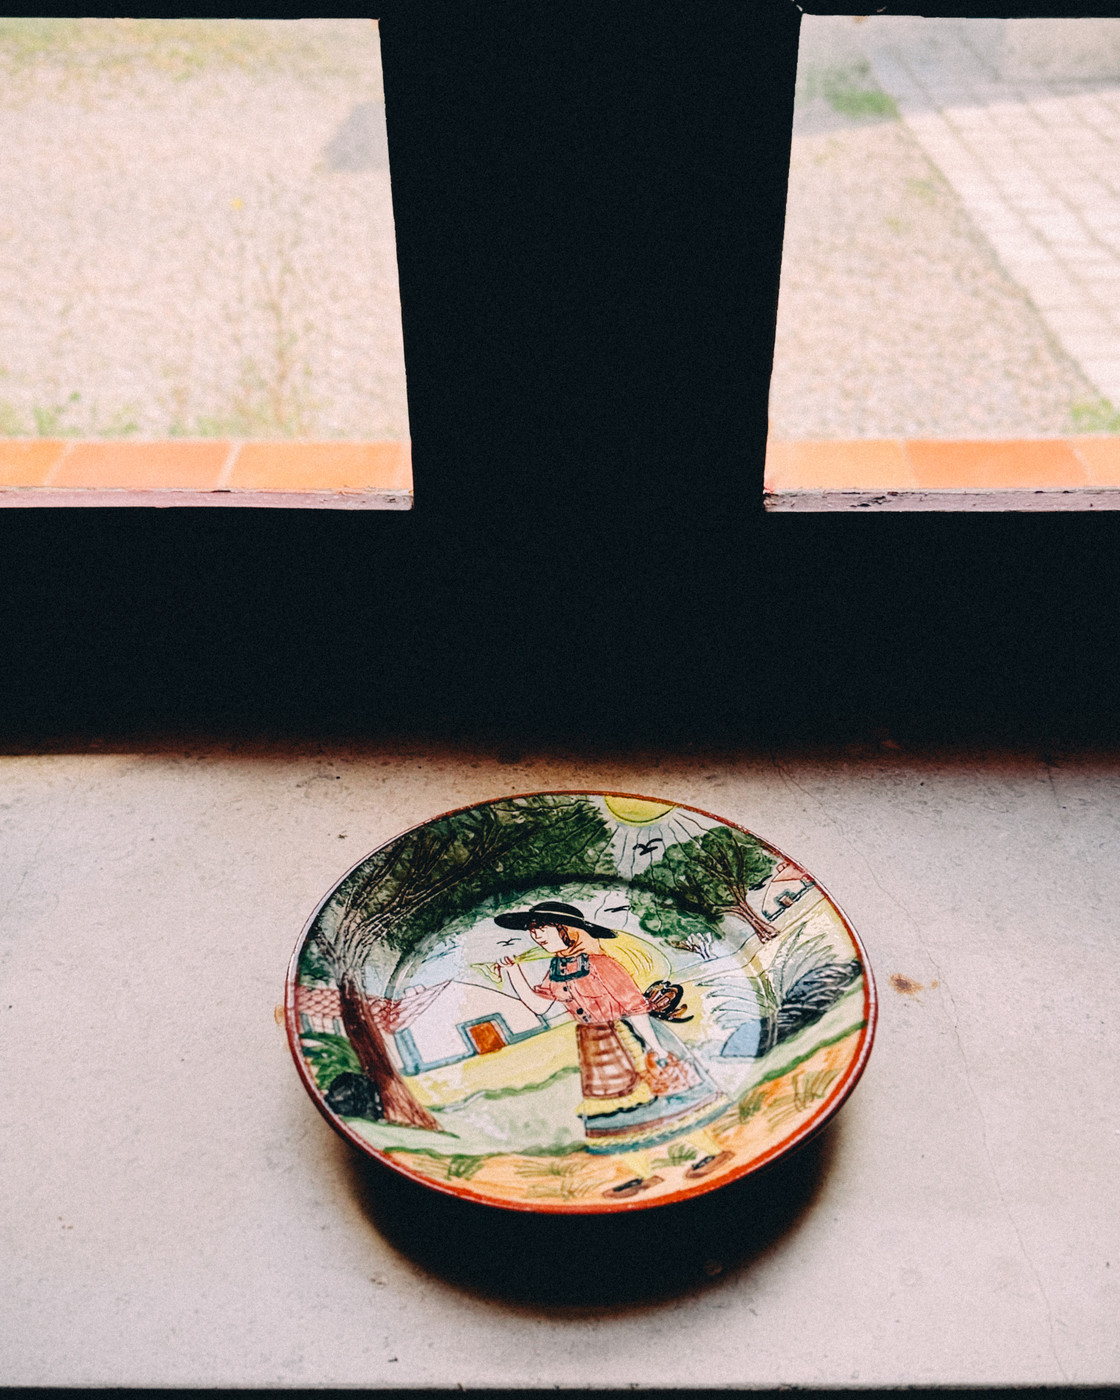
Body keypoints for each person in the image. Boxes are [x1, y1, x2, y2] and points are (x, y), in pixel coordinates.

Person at [495, 901, 732, 1191]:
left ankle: (711, 1153)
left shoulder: (601, 964)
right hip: (594, 1045)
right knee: (612, 1112)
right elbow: (538, 1007)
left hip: (629, 1036)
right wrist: (513, 973)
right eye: (533, 930)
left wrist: (655, 1048)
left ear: (567, 930)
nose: (537, 936)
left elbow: (634, 1007)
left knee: (663, 1098)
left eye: (543, 928)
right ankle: (643, 1175)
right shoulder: (557, 967)